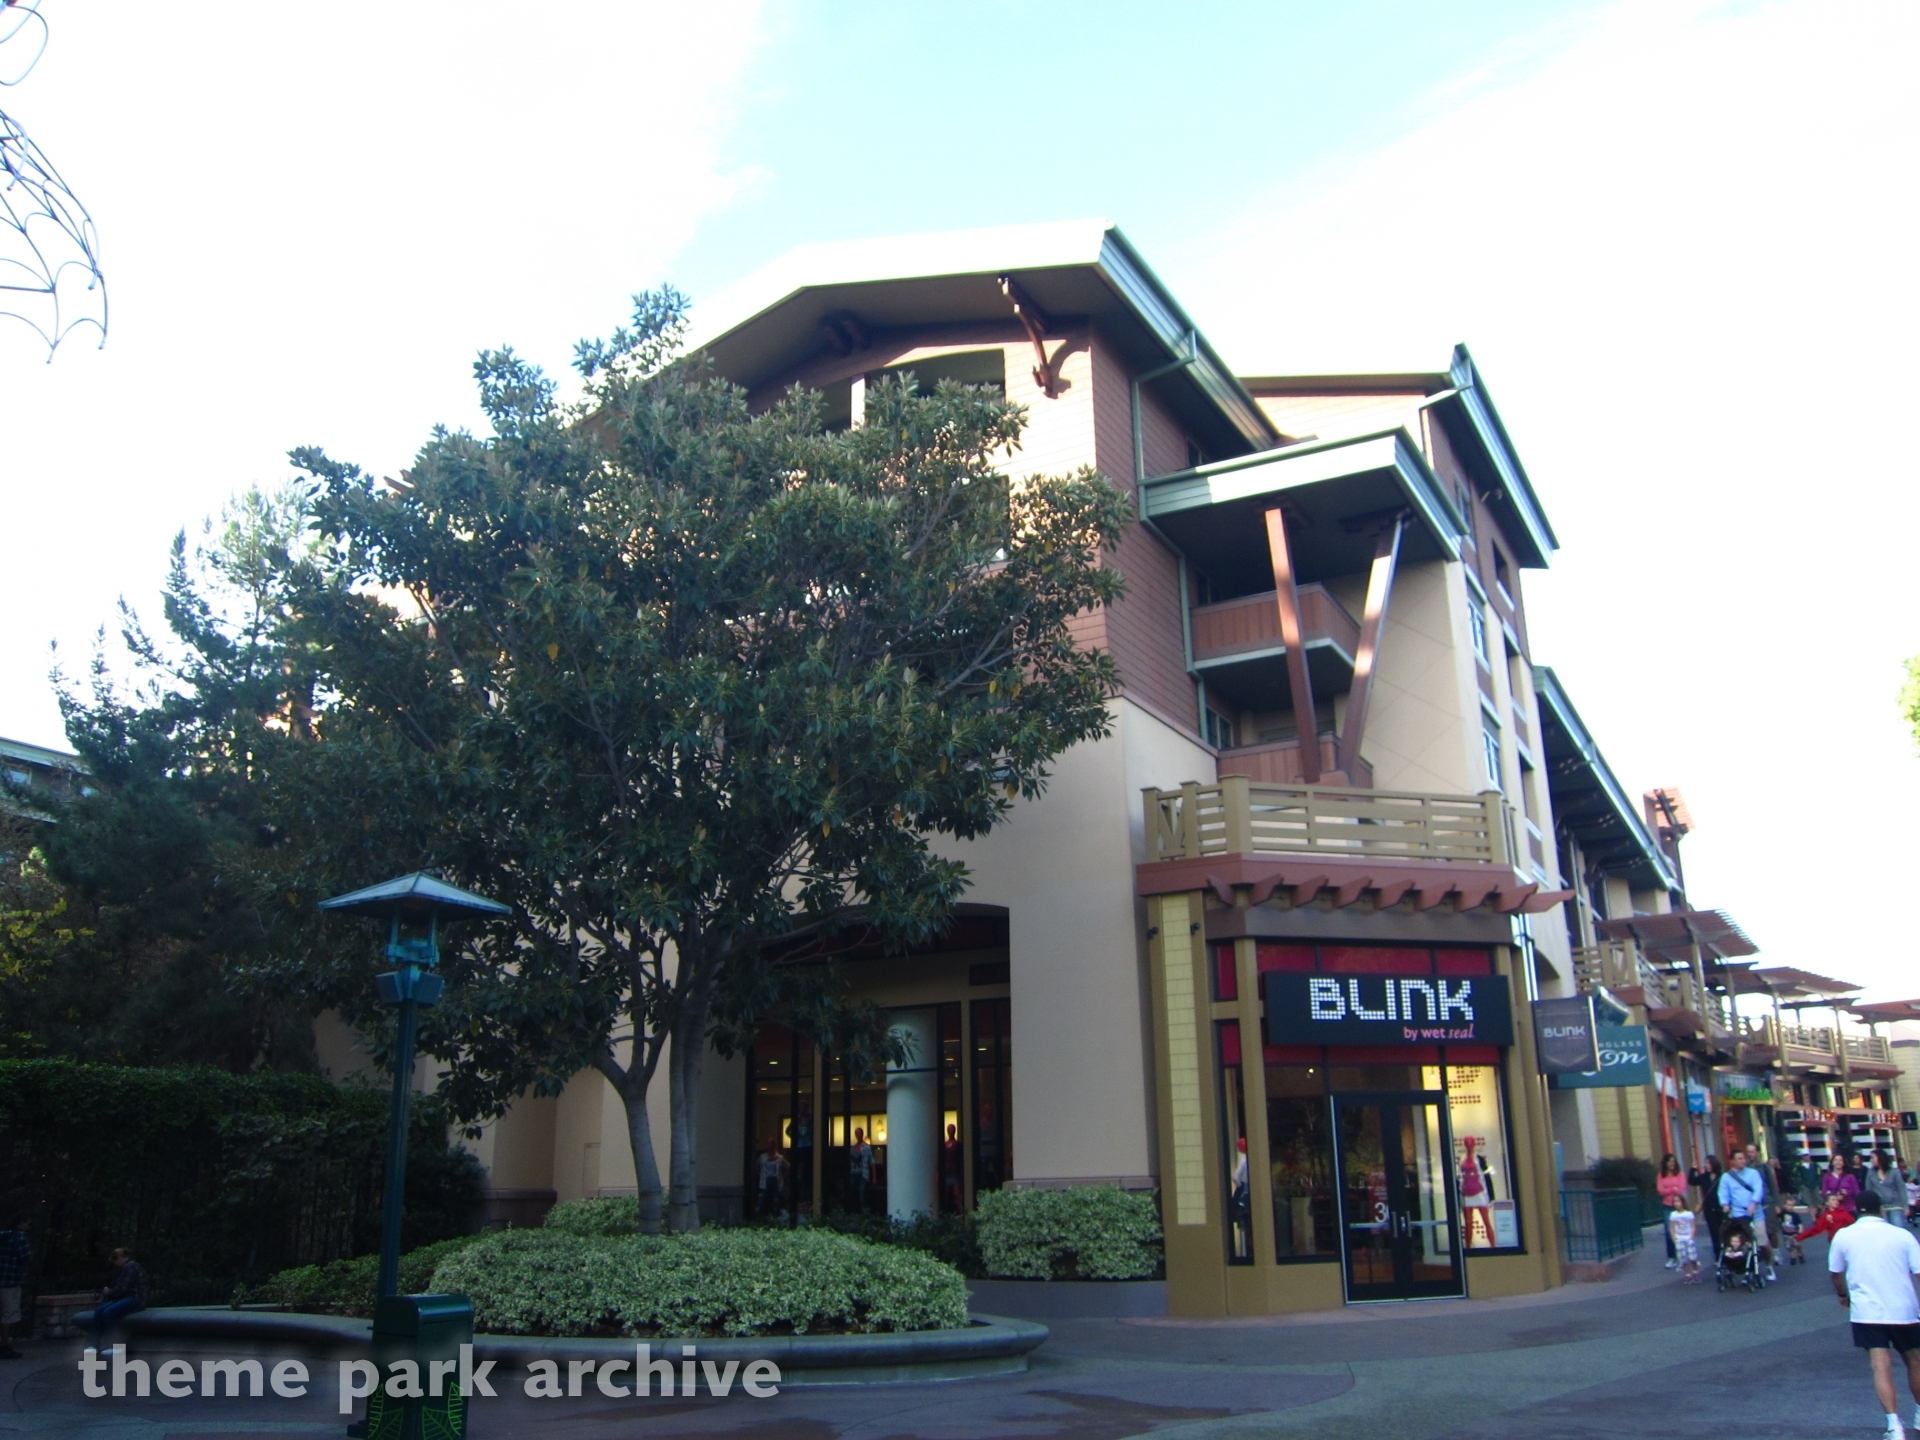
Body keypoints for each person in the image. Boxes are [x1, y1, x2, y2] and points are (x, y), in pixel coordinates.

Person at [1829, 1190, 1920, 1438]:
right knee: (1915, 1361)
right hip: (1903, 1309)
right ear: (1881, 1209)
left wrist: (1843, 1295)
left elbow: (1835, 1273)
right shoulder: (1902, 1235)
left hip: (1867, 1311)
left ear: (1856, 1211)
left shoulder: (1844, 1236)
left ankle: (1894, 1425)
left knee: (1880, 1366)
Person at [1720, 1150, 1776, 1283]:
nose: (1743, 1161)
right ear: (1733, 1161)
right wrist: (1725, 1204)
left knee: (1762, 1241)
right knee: (1743, 1244)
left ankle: (1769, 1266)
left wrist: (1754, 1203)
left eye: (1743, 1158)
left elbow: (1758, 1189)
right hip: (1738, 1215)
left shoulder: (1753, 1173)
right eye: (1739, 1159)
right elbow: (1723, 1193)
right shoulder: (1727, 1177)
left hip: (1755, 1213)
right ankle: (1748, 1270)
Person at [87, 1248, 147, 1354]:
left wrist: (109, 1292)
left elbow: (122, 1288)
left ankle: (115, 1346)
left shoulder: (130, 1267)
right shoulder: (125, 1267)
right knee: (100, 1310)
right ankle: (93, 1345)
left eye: (115, 1261)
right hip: (125, 1297)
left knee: (109, 1312)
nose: (115, 1264)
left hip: (135, 1298)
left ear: (119, 1258)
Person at [0, 1217, 29, 1360]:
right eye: (27, 1223)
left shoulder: (3, 1235)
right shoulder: (20, 1237)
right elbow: (26, 1258)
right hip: (10, 1281)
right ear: (21, 1223)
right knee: (8, 1314)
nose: (28, 1226)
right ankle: (5, 1345)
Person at [1691, 1156, 1726, 1259]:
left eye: (1709, 1163)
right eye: (1706, 1163)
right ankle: (1718, 1256)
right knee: (1714, 1233)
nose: (1707, 1166)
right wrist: (1693, 1169)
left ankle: (1727, 1254)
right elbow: (1692, 1181)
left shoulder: (1722, 1176)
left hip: (1721, 1208)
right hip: (1709, 1209)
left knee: (1723, 1231)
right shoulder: (1704, 1177)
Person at [1657, 1154, 1688, 1268]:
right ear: (1665, 1163)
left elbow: (1681, 1189)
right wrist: (1672, 1189)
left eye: (1673, 1161)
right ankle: (1672, 1257)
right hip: (1667, 1206)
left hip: (1678, 1206)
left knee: (1681, 1230)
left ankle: (1683, 1255)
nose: (1672, 1164)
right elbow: (1660, 1190)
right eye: (1669, 1161)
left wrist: (1669, 1190)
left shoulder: (1680, 1174)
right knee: (1669, 1231)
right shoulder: (1661, 1175)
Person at [1871, 1153, 1911, 1229]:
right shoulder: (1871, 1173)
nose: (1871, 1160)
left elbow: (1901, 1188)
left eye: (1873, 1158)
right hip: (1880, 1208)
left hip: (1895, 1206)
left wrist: (1906, 1206)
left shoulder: (1894, 1172)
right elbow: (1869, 1190)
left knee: (1898, 1229)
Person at [1667, 1202, 1702, 1284]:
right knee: (1683, 1258)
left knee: (1692, 1257)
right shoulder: (1673, 1215)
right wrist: (1675, 1239)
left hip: (1688, 1237)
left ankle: (1695, 1272)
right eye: (1675, 1202)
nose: (1676, 1204)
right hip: (1679, 1238)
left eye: (1678, 1201)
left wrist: (1691, 1237)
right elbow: (1672, 1228)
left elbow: (1693, 1226)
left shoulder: (1689, 1214)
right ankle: (1688, 1274)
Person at [755, 1136, 788, 1218]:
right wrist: (760, 1175)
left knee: (776, 1201)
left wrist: (783, 1177)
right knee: (762, 1200)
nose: (770, 1147)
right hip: (765, 1182)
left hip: (776, 1182)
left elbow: (788, 1167)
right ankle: (762, 1216)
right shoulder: (762, 1157)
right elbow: (757, 1167)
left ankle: (775, 1215)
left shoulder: (780, 1158)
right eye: (769, 1145)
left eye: (772, 1145)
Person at [848, 1126, 874, 1213]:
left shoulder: (867, 1148)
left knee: (862, 1192)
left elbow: (872, 1162)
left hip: (863, 1174)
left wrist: (874, 1177)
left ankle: (864, 1211)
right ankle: (854, 1210)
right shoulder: (852, 1149)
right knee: (852, 1191)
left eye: (859, 1134)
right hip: (854, 1173)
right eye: (857, 1134)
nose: (858, 1135)